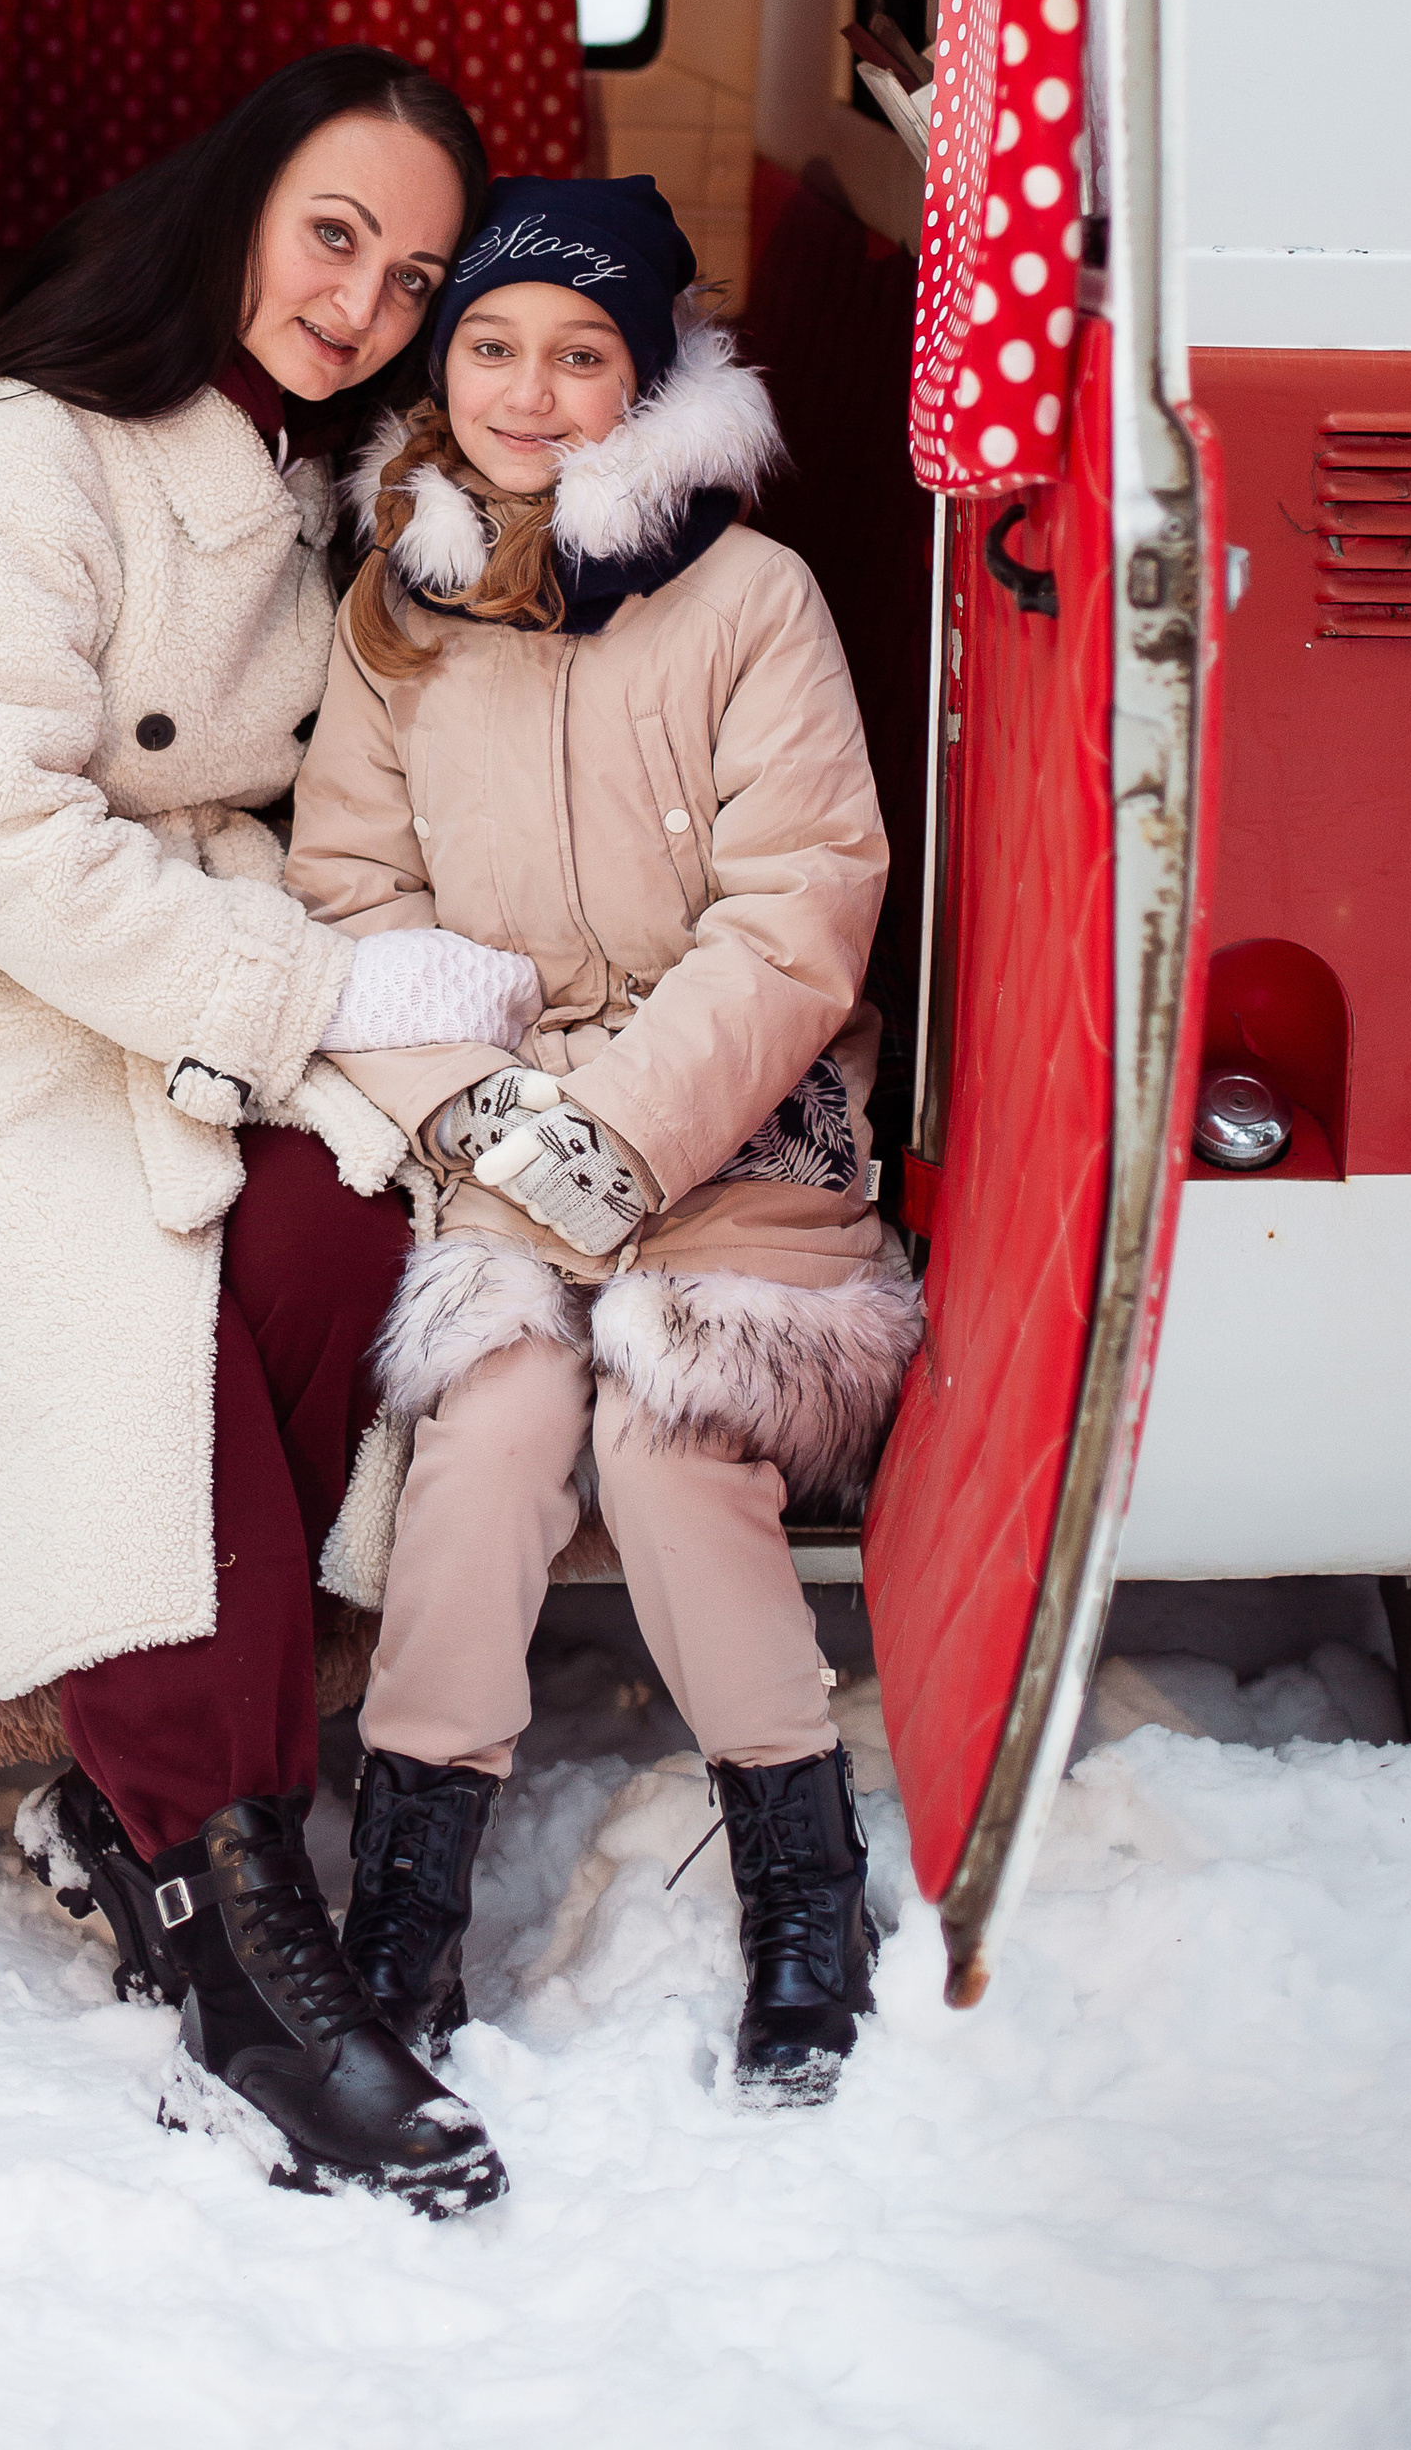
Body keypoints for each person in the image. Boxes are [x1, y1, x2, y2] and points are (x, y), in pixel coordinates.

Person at [0, 48, 521, 2214]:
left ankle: (140, 1813)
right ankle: (225, 1913)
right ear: (244, 205)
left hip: (162, 951)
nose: (358, 302)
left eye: (410, 273)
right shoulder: (24, 449)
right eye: (332, 233)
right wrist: (312, 993)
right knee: (117, 1335)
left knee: (343, 1223)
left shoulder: (316, 485)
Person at [284, 174, 925, 2104]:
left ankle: (805, 1878)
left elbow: (802, 899)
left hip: (739, 1121)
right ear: (445, 362)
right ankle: (410, 1891)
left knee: (668, 1442)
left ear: (651, 381)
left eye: (584, 356)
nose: (531, 390)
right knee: (485, 1435)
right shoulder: (399, 605)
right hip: (501, 1114)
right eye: (492, 345)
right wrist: (470, 1105)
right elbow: (346, 881)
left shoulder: (750, 598)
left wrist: (631, 1133)